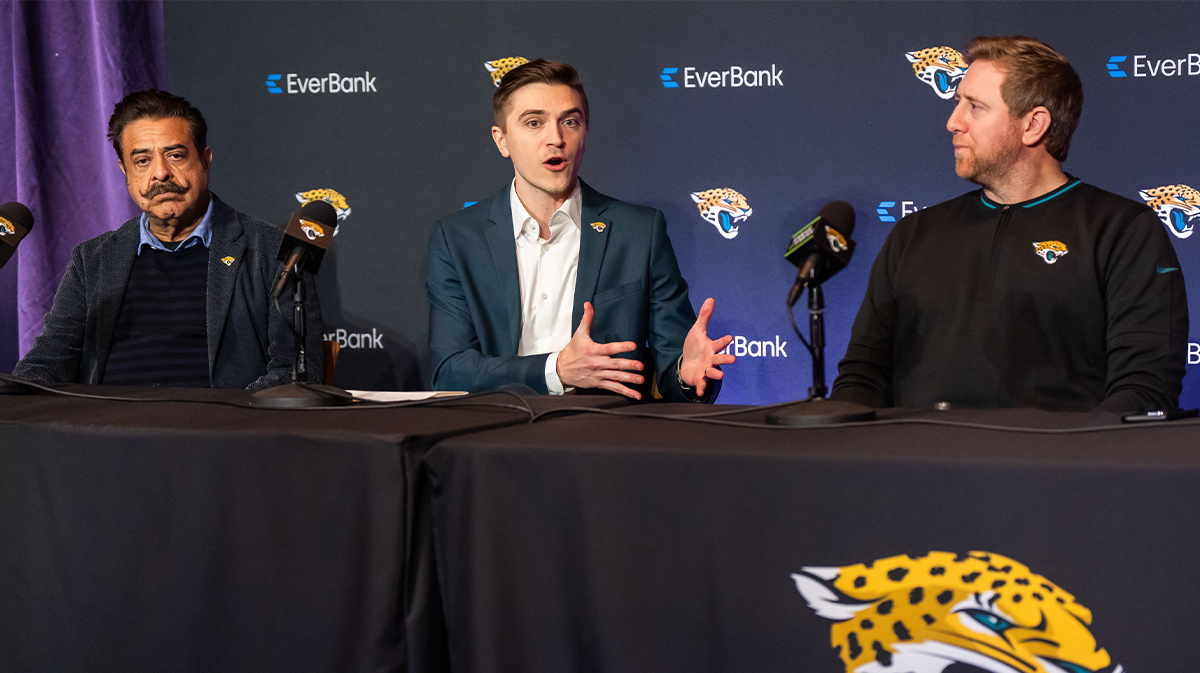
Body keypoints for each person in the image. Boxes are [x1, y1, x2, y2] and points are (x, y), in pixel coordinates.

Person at [832, 36, 1187, 412]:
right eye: (957, 103)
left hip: (1059, 465)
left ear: (1033, 125)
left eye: (975, 107)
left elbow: (1145, 388)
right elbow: (862, 376)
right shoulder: (914, 234)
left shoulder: (1122, 230)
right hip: (916, 465)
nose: (953, 122)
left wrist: (1068, 460)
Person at [426, 59, 733, 401]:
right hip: (495, 435)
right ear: (502, 141)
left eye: (570, 122)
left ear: (584, 133)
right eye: (533, 123)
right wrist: (556, 370)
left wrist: (687, 375)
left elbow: (678, 366)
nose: (555, 138)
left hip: (601, 439)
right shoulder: (457, 238)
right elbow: (450, 371)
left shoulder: (638, 232)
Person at [14, 89, 322, 389]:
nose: (161, 173)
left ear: (205, 161)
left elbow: (293, 375)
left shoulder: (273, 251)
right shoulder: (93, 260)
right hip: (107, 433)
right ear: (125, 171)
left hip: (222, 434)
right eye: (142, 161)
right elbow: (46, 365)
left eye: (175, 155)